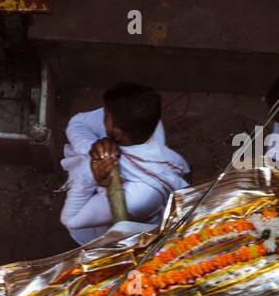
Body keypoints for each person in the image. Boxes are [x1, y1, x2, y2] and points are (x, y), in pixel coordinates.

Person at [60, 83, 190, 245]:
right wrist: (92, 149)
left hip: (110, 238)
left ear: (117, 132)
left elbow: (71, 219)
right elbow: (78, 122)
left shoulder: (137, 196)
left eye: (106, 115)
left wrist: (89, 173)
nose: (102, 117)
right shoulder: (147, 125)